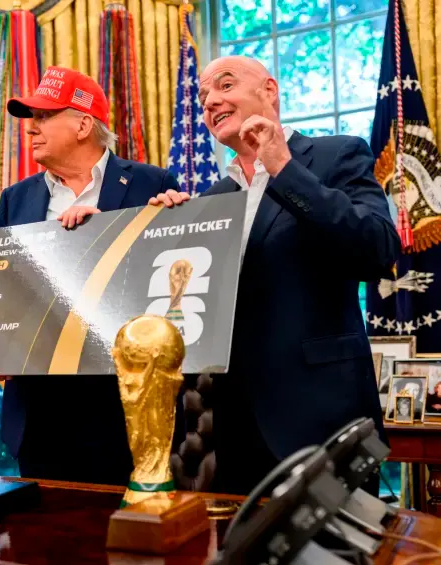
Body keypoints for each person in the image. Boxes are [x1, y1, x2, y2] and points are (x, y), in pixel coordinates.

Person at [151, 55, 401, 495]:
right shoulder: (212, 198)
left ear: (270, 90)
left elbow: (376, 249)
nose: (210, 101)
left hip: (321, 419)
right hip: (227, 432)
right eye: (204, 96)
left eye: (224, 86)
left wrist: (284, 168)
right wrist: (167, 234)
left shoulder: (336, 154)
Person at [0, 66, 182, 485]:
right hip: (38, 414)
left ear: (84, 124)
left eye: (43, 118)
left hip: (118, 408)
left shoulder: (152, 184)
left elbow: (169, 288)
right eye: (30, 120)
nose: (30, 129)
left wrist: (106, 232)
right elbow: (2, 289)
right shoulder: (15, 198)